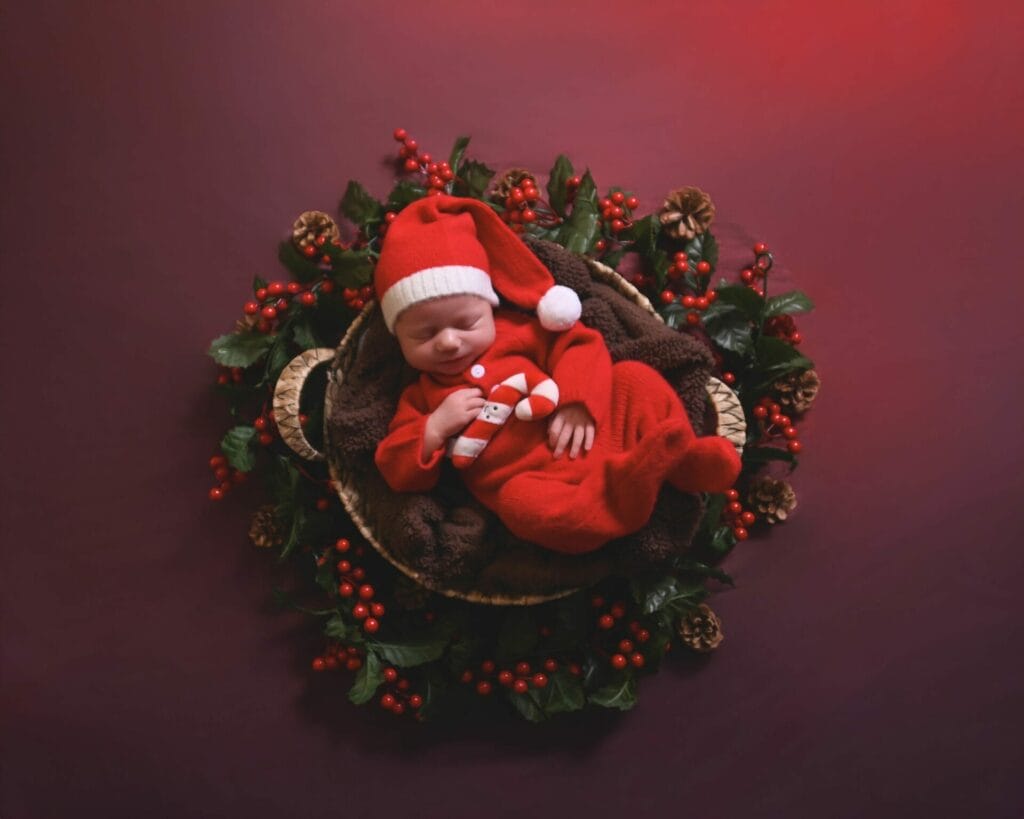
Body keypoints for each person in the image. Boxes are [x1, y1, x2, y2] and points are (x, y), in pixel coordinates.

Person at [373, 195, 741, 555]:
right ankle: (625, 496)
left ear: (489, 305)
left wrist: (576, 401)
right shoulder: (421, 397)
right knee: (520, 507)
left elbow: (579, 344)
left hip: (598, 434)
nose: (449, 342)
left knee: (633, 378)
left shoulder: (516, 332)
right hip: (543, 484)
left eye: (466, 323)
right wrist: (435, 427)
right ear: (398, 338)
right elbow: (395, 467)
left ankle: (682, 459)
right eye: (424, 335)